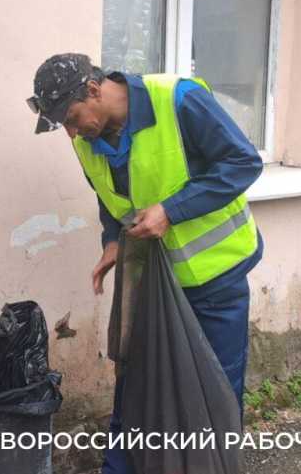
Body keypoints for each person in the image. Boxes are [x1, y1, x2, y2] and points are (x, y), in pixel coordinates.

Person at [27, 53, 264, 473]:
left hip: (216, 278)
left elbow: (243, 163)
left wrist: (172, 210)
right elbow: (109, 199)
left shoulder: (178, 99)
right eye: (63, 124)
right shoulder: (86, 141)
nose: (71, 132)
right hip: (151, 283)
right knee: (136, 389)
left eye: (71, 118)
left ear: (94, 90)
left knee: (215, 395)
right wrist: (111, 242)